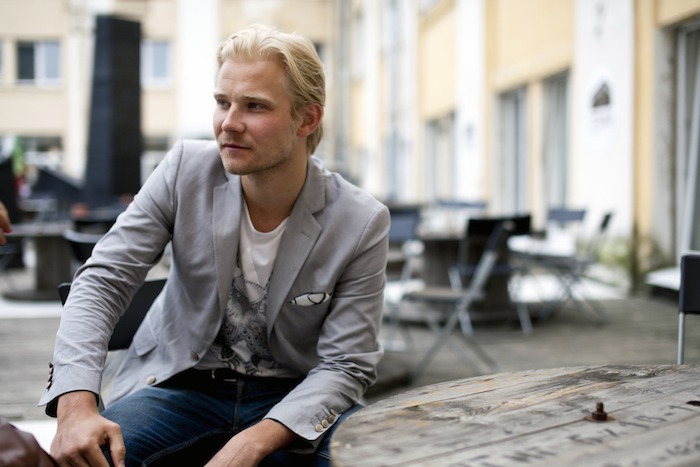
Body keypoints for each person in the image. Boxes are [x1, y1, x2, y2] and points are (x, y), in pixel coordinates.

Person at [40, 24, 389, 467]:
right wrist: (75, 404)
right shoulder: (184, 170)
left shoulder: (360, 220)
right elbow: (102, 282)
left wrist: (253, 442)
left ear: (307, 119)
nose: (228, 122)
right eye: (223, 102)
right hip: (180, 385)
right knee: (89, 459)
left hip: (294, 395)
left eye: (254, 105)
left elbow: (346, 364)